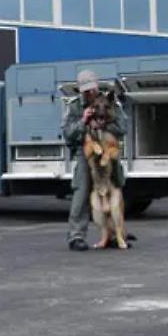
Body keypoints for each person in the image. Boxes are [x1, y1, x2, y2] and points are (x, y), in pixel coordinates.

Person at [63, 68, 126, 251]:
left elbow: (122, 127)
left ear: (96, 85)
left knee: (116, 190)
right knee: (81, 192)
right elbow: (68, 134)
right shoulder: (74, 106)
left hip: (108, 148)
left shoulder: (110, 101)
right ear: (80, 90)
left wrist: (104, 124)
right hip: (87, 152)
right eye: (86, 90)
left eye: (92, 88)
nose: (90, 92)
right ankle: (76, 236)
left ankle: (115, 235)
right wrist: (83, 121)